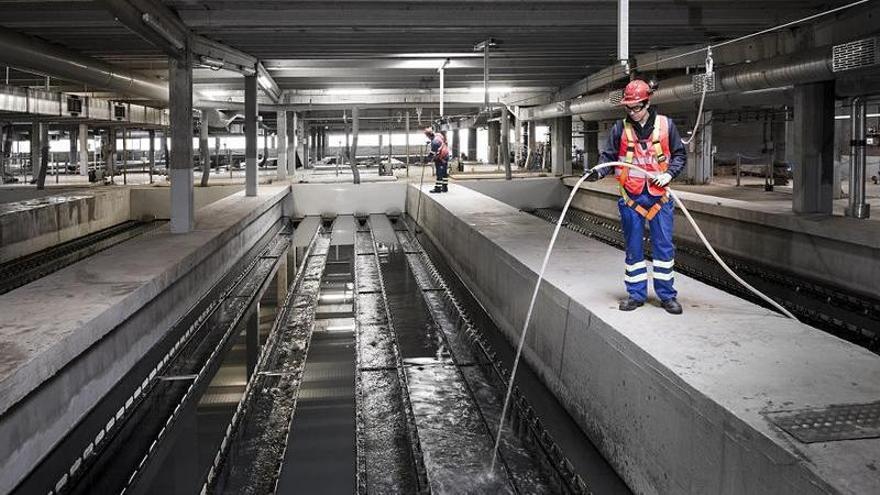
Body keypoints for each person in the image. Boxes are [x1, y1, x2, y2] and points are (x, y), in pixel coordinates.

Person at [585, 79, 687, 314]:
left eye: (637, 108)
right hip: (631, 198)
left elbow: (679, 155)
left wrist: (669, 174)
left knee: (663, 248)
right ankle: (636, 294)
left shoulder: (666, 126)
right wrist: (596, 172)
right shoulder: (620, 129)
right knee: (633, 249)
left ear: (647, 102)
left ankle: (667, 296)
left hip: (659, 197)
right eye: (628, 108)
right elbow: (608, 157)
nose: (632, 112)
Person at [424, 127, 450, 193]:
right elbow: (441, 142)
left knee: (439, 173)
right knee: (444, 173)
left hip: (441, 158)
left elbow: (432, 154)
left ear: (428, 135)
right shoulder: (438, 135)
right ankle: (445, 187)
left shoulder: (434, 143)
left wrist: (427, 159)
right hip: (446, 155)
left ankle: (438, 188)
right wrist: (430, 142)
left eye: (427, 136)